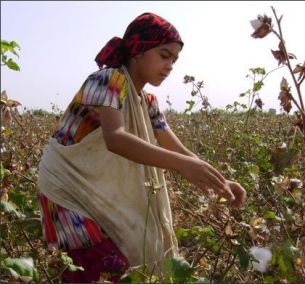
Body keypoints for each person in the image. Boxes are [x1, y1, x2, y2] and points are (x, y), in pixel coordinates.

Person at [37, 12, 246, 283]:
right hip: (67, 194)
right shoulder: (107, 80)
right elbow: (116, 138)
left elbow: (178, 149)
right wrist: (183, 166)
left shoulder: (148, 102)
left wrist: (220, 181)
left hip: (97, 195)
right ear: (138, 51)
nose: (170, 65)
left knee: (127, 267)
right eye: (164, 55)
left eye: (174, 59)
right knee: (105, 270)